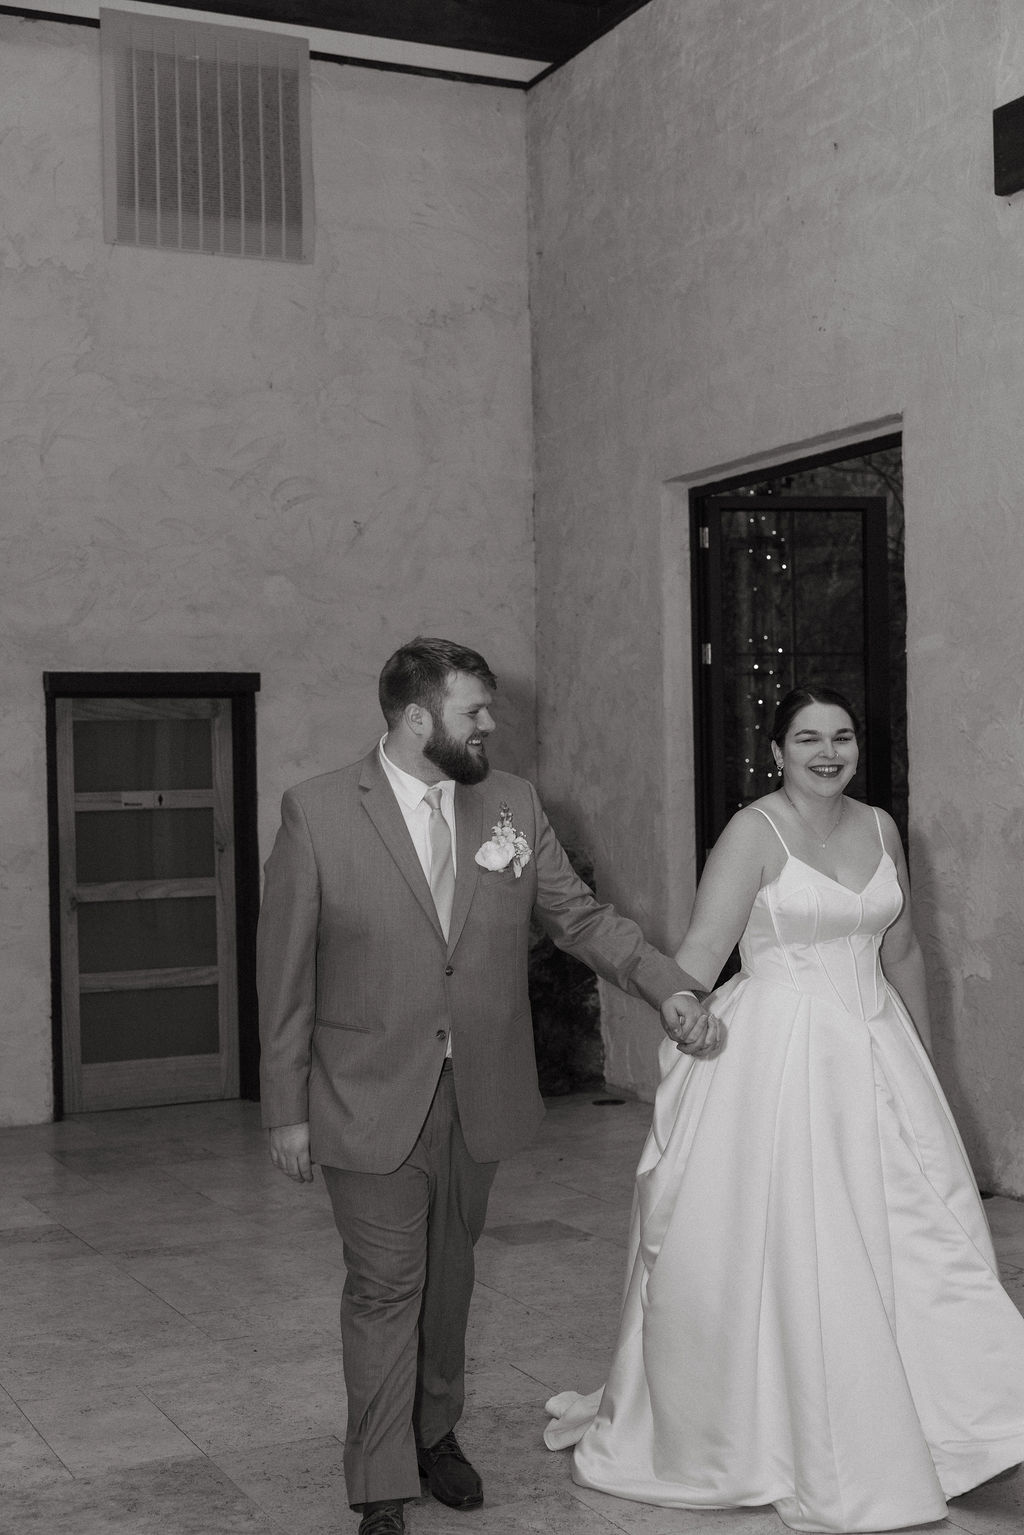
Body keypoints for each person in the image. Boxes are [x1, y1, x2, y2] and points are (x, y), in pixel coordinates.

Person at [257, 637, 713, 1535]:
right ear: (415, 716)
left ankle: (434, 1433)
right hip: (365, 1092)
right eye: (473, 710)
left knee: (450, 1275)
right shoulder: (317, 811)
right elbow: (285, 972)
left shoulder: (511, 803)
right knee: (385, 1284)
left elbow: (579, 917)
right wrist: (286, 1108)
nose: (490, 725)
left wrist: (668, 986)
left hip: (480, 1090)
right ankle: (379, 1483)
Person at [545, 685, 1024, 1534]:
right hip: (782, 1058)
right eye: (808, 738)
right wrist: (680, 1007)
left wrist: (923, 1058)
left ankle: (956, 1422)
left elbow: (903, 948)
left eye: (842, 736)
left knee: (925, 1235)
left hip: (876, 1050)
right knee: (806, 1245)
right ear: (777, 751)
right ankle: (795, 1428)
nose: (829, 752)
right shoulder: (752, 832)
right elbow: (704, 946)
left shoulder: (880, 827)